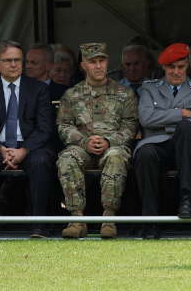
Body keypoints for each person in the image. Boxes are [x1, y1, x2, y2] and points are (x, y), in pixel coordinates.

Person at [56, 43, 138, 239]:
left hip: (113, 146)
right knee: (67, 158)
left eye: (102, 61)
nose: (99, 66)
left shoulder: (124, 93)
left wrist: (109, 141)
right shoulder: (71, 95)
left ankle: (109, 218)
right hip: (82, 147)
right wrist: (84, 142)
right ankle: (77, 219)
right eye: (93, 62)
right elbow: (63, 126)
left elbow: (131, 126)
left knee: (116, 157)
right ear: (83, 65)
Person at [133, 43, 191, 238]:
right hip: (157, 145)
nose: (176, 72)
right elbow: (145, 118)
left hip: (190, 147)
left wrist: (166, 119)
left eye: (181, 67)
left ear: (188, 66)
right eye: (171, 67)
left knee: (186, 129)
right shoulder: (149, 88)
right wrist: (181, 114)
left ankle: (186, 200)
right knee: (144, 153)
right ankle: (149, 219)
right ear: (163, 68)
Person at [0, 41, 56, 238]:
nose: (14, 64)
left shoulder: (38, 89)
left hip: (31, 147)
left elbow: (45, 128)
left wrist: (23, 150)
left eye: (17, 60)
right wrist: (0, 148)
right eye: (8, 60)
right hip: (0, 147)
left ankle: (38, 226)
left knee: (41, 161)